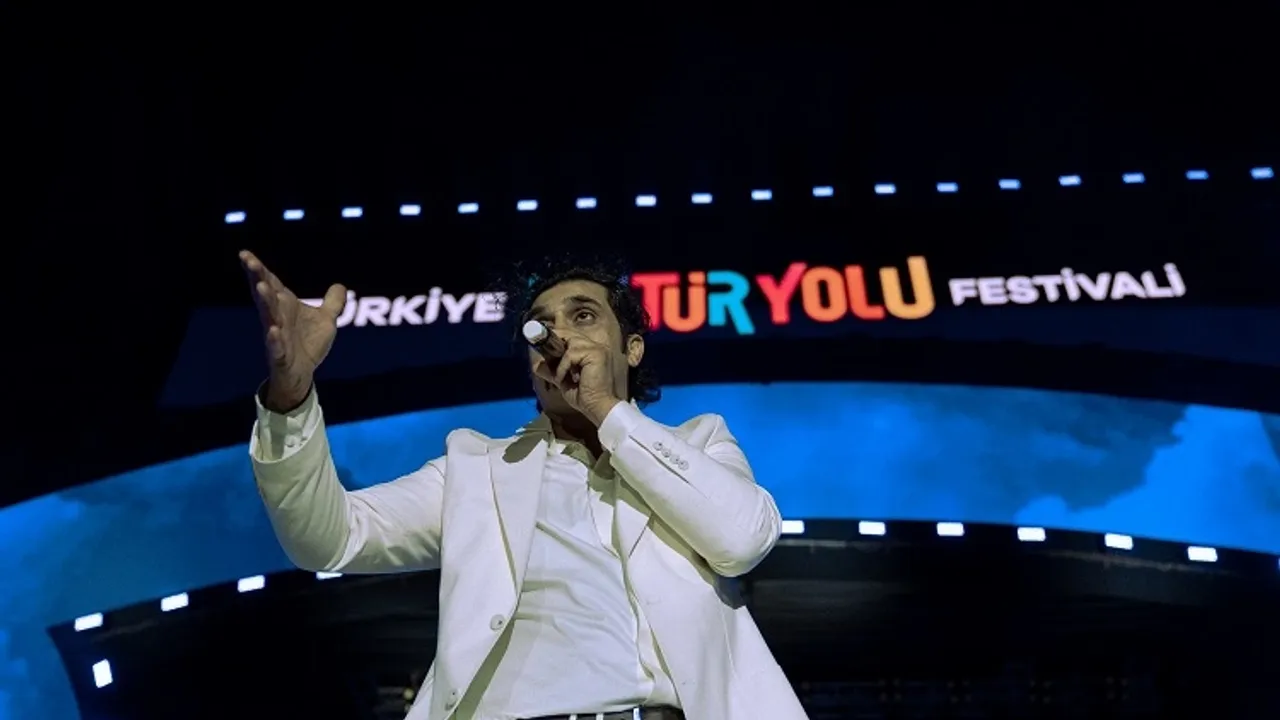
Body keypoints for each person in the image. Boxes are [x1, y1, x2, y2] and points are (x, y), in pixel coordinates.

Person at [240, 250, 809, 720]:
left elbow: (742, 541)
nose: (558, 336)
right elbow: (330, 539)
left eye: (583, 316)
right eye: (543, 327)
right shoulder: (477, 470)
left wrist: (607, 412)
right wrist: (291, 396)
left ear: (631, 348)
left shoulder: (701, 441)